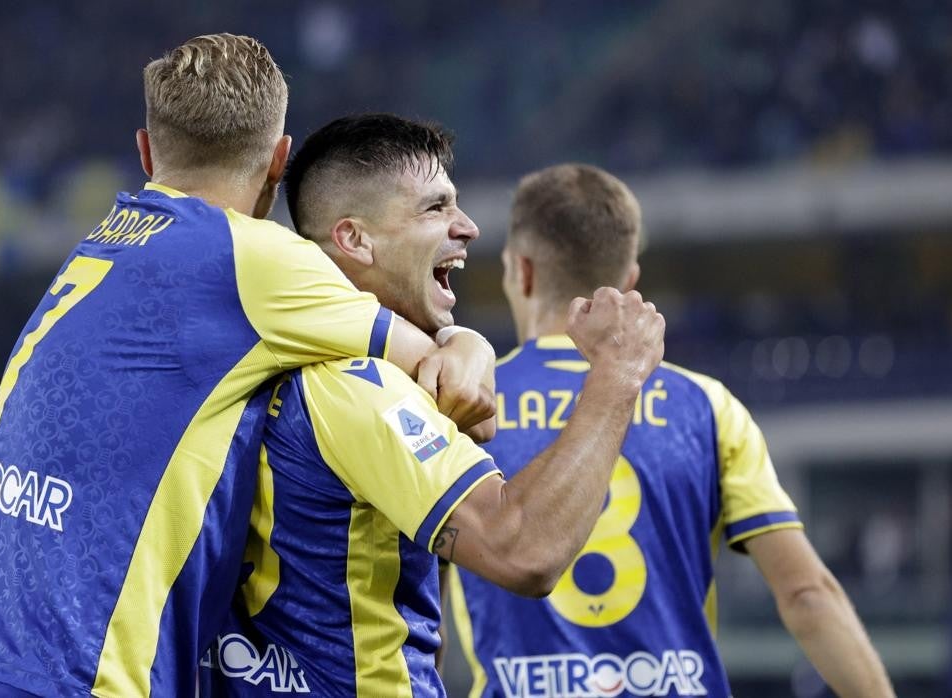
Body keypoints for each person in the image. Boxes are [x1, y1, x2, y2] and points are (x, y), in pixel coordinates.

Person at [0, 36, 497, 698]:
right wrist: (471, 342)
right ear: (279, 160)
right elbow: (442, 366)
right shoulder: (252, 260)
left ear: (145, 151)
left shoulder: (89, 260)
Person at [202, 114, 665, 697]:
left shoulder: (236, 355)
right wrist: (617, 375)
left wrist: (463, 342)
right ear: (354, 239)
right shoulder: (357, 386)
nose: (468, 227)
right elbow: (523, 549)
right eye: (435, 208)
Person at [448, 164, 895, 698]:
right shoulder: (707, 407)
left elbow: (419, 611)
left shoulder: (465, 403)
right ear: (629, 282)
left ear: (520, 272)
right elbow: (807, 595)